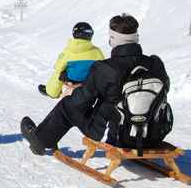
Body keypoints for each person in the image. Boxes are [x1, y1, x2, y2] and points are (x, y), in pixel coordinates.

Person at [21, 14, 170, 155]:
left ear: (113, 39)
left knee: (68, 105)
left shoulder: (105, 68)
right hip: (153, 133)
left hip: (117, 136)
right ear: (136, 38)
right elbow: (164, 92)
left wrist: (74, 92)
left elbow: (81, 101)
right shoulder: (155, 63)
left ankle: (40, 141)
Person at [38, 22, 105, 98]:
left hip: (72, 79)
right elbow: (103, 66)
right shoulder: (97, 51)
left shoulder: (69, 50)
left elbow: (58, 67)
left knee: (59, 72)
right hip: (89, 81)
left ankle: (51, 92)